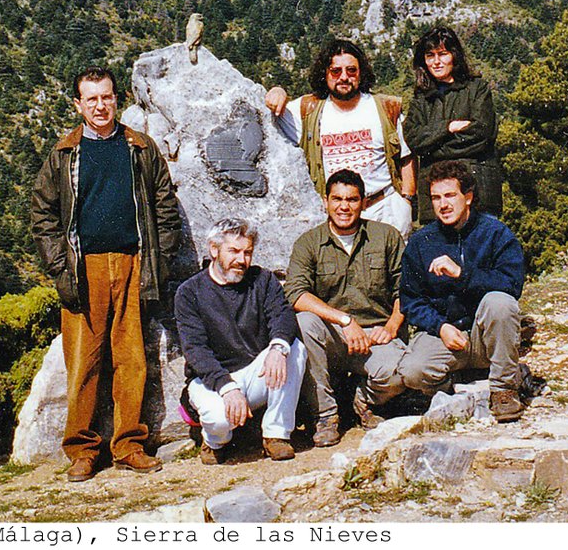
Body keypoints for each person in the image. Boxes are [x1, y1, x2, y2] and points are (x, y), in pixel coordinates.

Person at [31, 67, 182, 482]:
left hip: (132, 262)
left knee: (132, 359)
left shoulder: (139, 147)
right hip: (85, 268)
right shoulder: (64, 154)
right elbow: (42, 215)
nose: (100, 105)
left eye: (107, 97)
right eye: (91, 99)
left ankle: (128, 444)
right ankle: (82, 449)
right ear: (78, 105)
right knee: (84, 362)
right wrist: (60, 270)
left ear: (118, 100)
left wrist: (160, 262)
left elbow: (165, 207)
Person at [284, 170, 408, 446]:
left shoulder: (386, 237)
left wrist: (390, 326)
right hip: (334, 335)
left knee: (405, 370)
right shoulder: (308, 243)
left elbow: (407, 289)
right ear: (325, 202)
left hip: (376, 335)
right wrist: (343, 320)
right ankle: (326, 415)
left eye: (352, 200)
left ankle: (362, 400)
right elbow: (296, 294)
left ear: (363, 202)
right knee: (304, 323)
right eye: (337, 199)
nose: (344, 207)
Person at [399, 159, 527, 422]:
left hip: (484, 334)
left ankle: (504, 389)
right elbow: (411, 301)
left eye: (450, 195)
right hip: (446, 335)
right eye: (436, 198)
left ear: (467, 197)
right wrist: (440, 327)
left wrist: (462, 274)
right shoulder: (421, 242)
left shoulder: (495, 233)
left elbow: (512, 284)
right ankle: (452, 386)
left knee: (499, 303)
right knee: (412, 371)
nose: (443, 205)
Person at [175, 219, 306, 465]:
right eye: (233, 251)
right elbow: (195, 349)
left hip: (255, 372)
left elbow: (282, 315)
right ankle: (215, 442)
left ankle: (276, 434)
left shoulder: (263, 280)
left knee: (293, 348)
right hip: (213, 379)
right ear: (214, 250)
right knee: (219, 419)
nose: (241, 260)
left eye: (247, 252)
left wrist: (278, 348)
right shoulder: (190, 292)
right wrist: (227, 386)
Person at [265, 38, 415, 236]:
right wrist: (277, 90)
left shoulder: (384, 108)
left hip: (384, 209)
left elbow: (406, 156)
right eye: (336, 71)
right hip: (337, 216)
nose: (344, 77)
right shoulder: (307, 111)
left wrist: (406, 200)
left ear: (361, 73)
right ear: (325, 74)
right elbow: (269, 111)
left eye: (351, 70)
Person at [403, 25, 503, 221]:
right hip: (435, 204)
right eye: (430, 55)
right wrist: (448, 128)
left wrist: (432, 146)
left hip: (479, 196)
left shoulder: (477, 90)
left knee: (482, 250)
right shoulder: (421, 100)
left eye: (443, 54)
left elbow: (481, 135)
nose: (436, 62)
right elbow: (413, 140)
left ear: (454, 56)